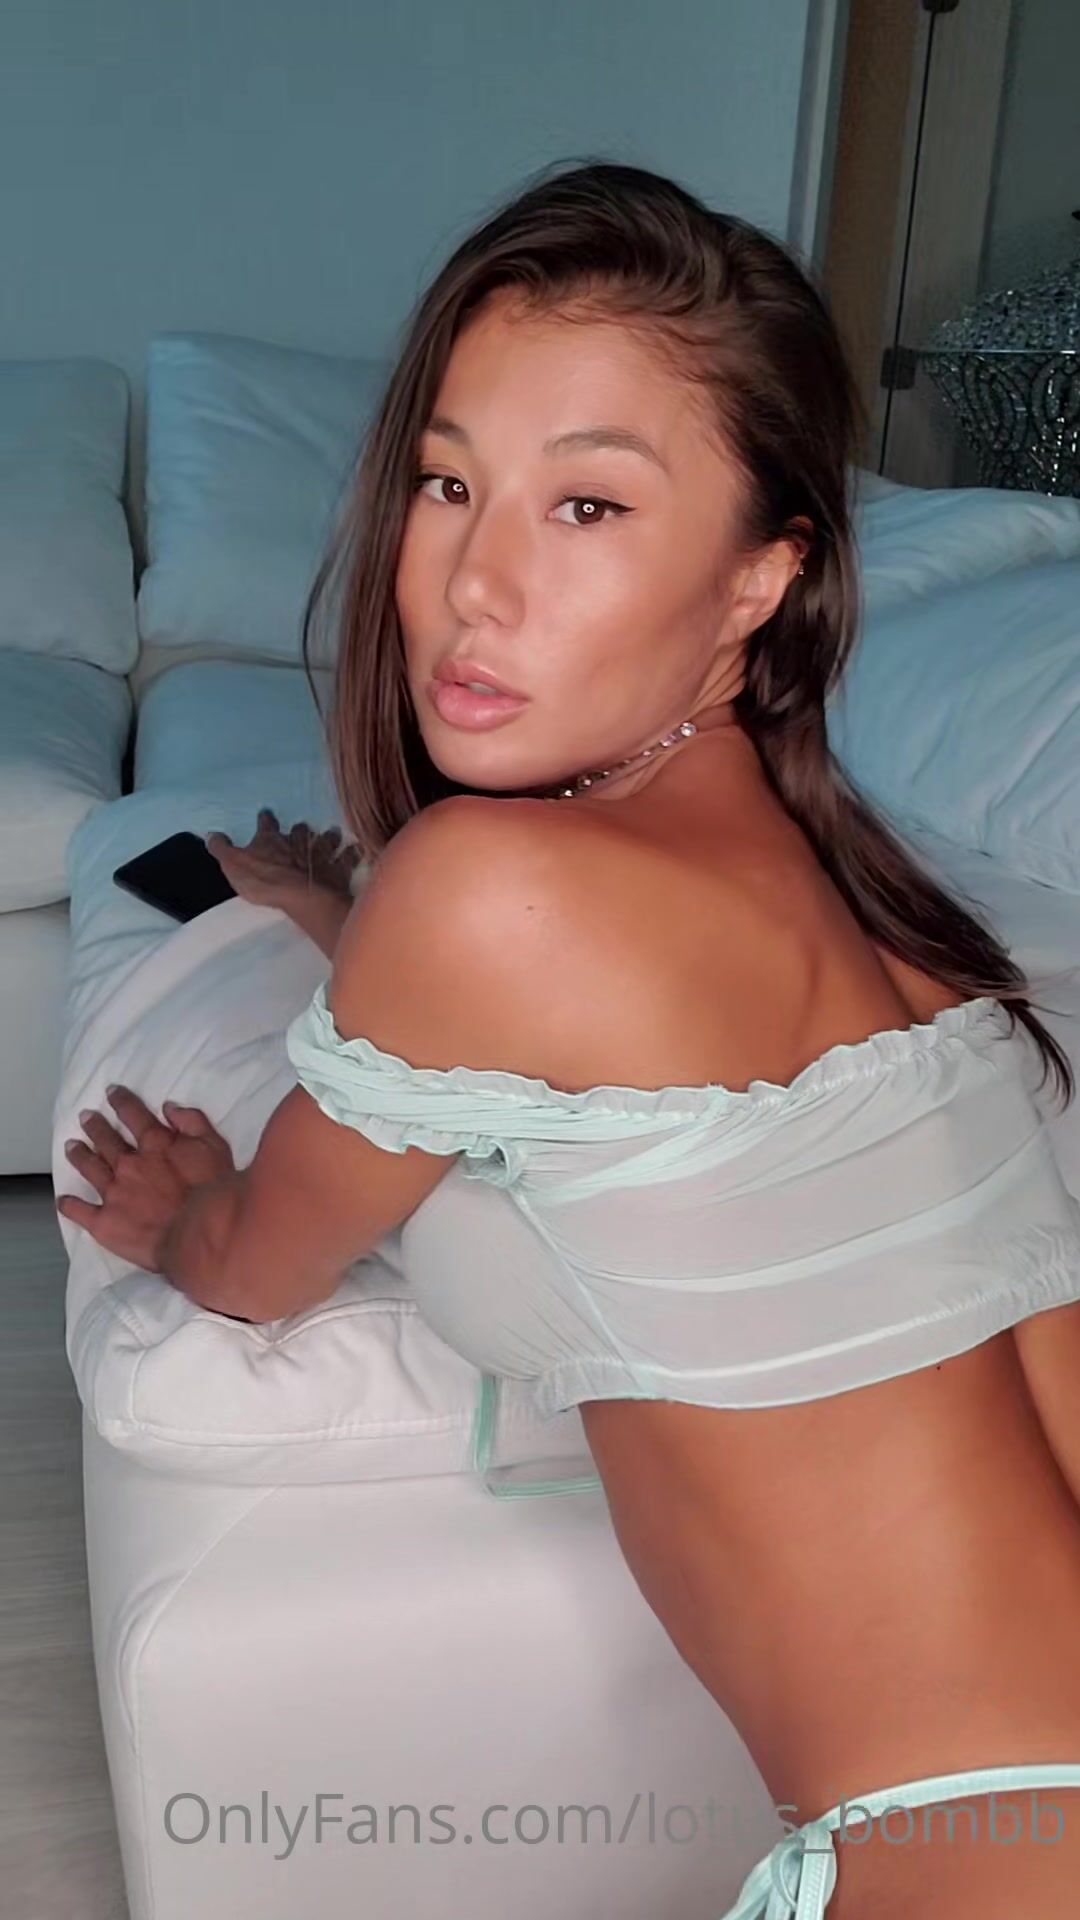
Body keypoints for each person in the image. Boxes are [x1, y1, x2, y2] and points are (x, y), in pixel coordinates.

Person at [58, 160, 1080, 1916]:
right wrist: (344, 921)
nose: (474, 580)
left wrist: (176, 1216)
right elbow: (617, 1054)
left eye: (588, 505)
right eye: (448, 481)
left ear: (760, 576)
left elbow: (253, 1266)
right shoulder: (876, 914)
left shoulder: (491, 895)